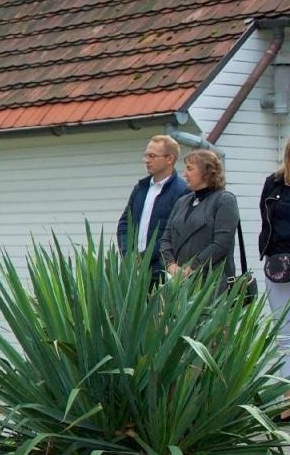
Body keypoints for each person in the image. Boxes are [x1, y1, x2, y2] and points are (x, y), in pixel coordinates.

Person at [160, 149, 241, 296]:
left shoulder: (224, 200)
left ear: (207, 172)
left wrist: (192, 267)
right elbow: (166, 238)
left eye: (190, 169)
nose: (185, 174)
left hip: (212, 285)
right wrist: (171, 265)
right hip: (178, 284)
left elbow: (221, 243)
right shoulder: (182, 202)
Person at [116, 135, 189, 287]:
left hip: (161, 273)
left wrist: (144, 257)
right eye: (146, 155)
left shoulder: (182, 192)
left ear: (169, 159)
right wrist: (127, 253)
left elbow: (175, 234)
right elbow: (125, 223)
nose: (146, 160)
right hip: (133, 272)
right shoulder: (140, 189)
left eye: (152, 156)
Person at [259, 140, 290, 421]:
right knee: (285, 334)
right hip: (279, 266)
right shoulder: (274, 183)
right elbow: (265, 220)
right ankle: (287, 400)